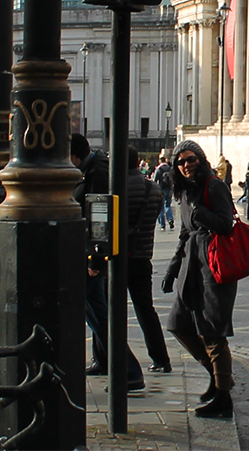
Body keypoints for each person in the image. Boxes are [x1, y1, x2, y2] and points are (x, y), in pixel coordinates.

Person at [162, 141, 239, 418]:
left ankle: (223, 397)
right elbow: (184, 233)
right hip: (190, 265)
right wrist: (172, 268)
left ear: (201, 159)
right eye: (180, 161)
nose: (186, 165)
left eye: (191, 159)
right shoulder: (183, 192)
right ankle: (218, 377)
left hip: (215, 265)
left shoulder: (213, 186)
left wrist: (199, 211)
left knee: (212, 330)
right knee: (178, 324)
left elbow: (226, 223)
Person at [70, 134, 146, 390]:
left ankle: (129, 371)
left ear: (75, 155)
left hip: (91, 257)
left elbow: (100, 221)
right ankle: (105, 361)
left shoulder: (97, 174)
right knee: (97, 314)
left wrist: (97, 260)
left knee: (99, 317)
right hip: (85, 254)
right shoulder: (90, 171)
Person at [125, 146, 173, 375]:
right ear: (137, 163)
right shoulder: (152, 189)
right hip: (143, 256)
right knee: (145, 310)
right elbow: (154, 216)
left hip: (117, 258)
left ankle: (107, 356)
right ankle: (161, 358)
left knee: (108, 311)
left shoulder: (115, 187)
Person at [153, 156, 175, 231]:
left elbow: (154, 181)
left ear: (160, 161)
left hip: (161, 189)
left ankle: (162, 224)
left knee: (161, 207)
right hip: (169, 189)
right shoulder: (170, 169)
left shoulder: (158, 169)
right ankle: (170, 219)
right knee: (168, 205)